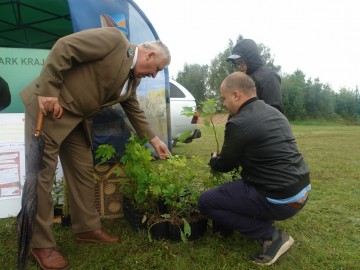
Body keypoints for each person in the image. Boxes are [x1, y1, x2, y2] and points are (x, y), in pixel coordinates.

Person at [20, 27, 171, 270]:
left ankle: (87, 228)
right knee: (41, 177)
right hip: (50, 110)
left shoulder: (132, 80)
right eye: (158, 69)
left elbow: (133, 109)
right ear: (150, 55)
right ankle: (41, 244)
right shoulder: (114, 40)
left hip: (76, 121)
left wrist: (154, 139)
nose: (155, 75)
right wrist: (48, 93)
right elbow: (63, 47)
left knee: (82, 173)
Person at [198, 72, 310, 266]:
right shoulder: (274, 112)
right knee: (238, 191)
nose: (224, 104)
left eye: (224, 98)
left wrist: (213, 160)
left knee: (206, 202)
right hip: (302, 192)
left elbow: (225, 165)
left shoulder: (238, 122)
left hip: (279, 200)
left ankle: (271, 236)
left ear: (236, 95)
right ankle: (263, 219)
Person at [227, 39, 284, 114]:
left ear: (251, 58)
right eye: (237, 64)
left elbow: (275, 112)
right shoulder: (243, 80)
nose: (239, 67)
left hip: (263, 124)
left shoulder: (269, 77)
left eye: (241, 62)